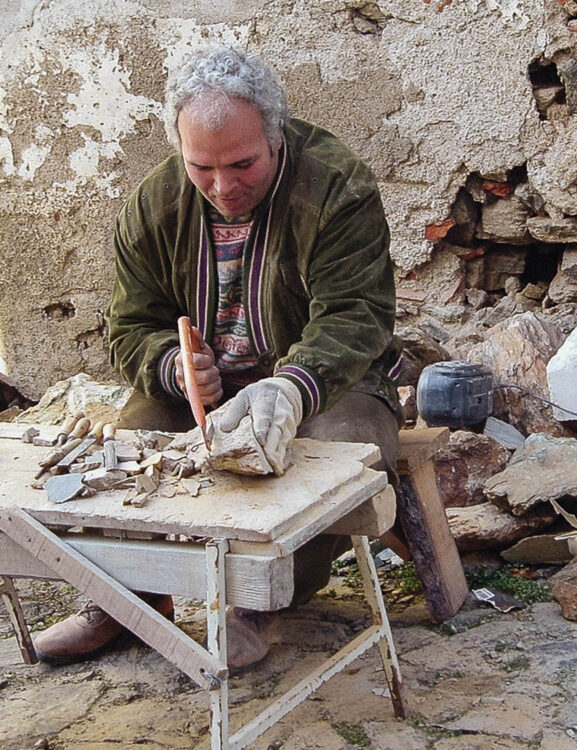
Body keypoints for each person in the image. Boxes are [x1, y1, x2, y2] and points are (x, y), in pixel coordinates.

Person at [33, 44, 402, 670]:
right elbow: (130, 328)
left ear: (276, 134)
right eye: (201, 167)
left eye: (243, 164)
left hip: (331, 382)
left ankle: (256, 606)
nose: (224, 186)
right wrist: (172, 367)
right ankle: (122, 603)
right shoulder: (153, 205)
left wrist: (290, 388)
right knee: (125, 449)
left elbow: (355, 316)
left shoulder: (337, 186)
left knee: (335, 462)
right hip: (205, 388)